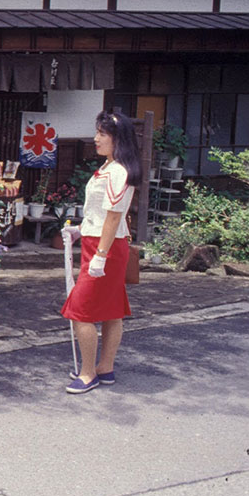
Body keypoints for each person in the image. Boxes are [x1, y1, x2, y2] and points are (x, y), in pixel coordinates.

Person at [60, 109, 142, 394]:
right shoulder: (108, 168)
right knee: (111, 310)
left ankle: (87, 373)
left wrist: (100, 255)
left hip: (105, 249)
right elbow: (99, 214)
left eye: (102, 134)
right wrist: (80, 230)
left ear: (118, 139)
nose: (95, 139)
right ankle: (104, 368)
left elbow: (114, 217)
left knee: (81, 312)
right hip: (99, 243)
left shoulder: (118, 171)